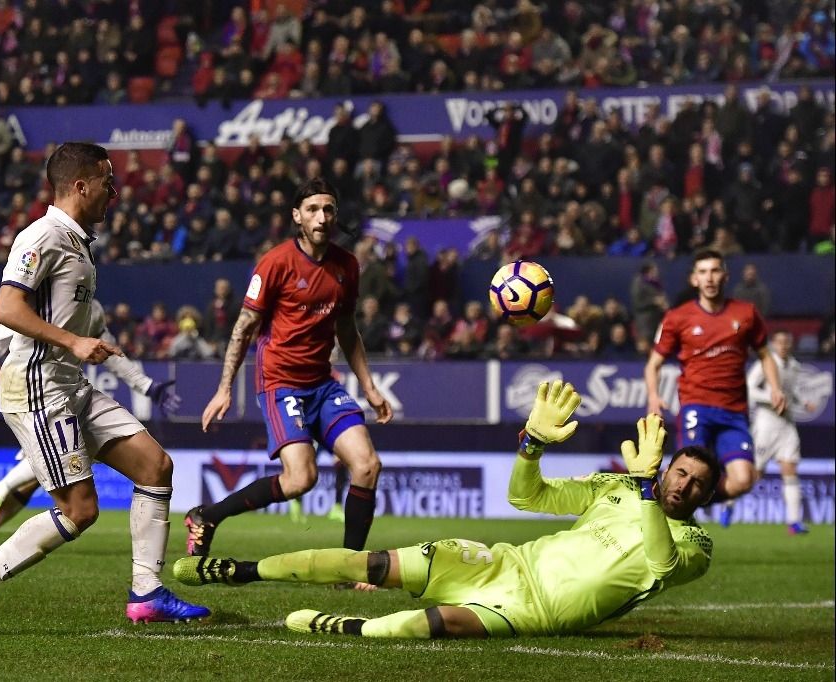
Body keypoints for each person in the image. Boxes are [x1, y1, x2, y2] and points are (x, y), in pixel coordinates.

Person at [174, 381, 719, 639]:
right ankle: (243, 570)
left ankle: (353, 629)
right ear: (665, 467)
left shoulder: (695, 547)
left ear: (707, 499)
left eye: (697, 485)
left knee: (441, 624)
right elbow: (527, 497)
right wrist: (531, 444)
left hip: (540, 612)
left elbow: (661, 561)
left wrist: (647, 489)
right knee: (375, 564)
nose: (684, 486)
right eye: (679, 473)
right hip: (505, 562)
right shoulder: (614, 487)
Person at [0, 142, 207, 637]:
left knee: (156, 465)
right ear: (81, 185)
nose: (115, 190)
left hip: (70, 383)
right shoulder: (42, 235)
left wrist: (90, 349)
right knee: (81, 511)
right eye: (108, 181)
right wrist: (73, 341)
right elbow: (5, 308)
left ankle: (146, 593)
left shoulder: (80, 241)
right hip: (38, 388)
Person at [190, 178, 393, 564]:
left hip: (322, 384)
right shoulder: (276, 262)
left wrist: (369, 386)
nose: (322, 216)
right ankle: (209, 516)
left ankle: (348, 566)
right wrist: (224, 388)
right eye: (313, 209)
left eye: (329, 209)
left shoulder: (347, 266)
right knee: (302, 479)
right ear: (297, 216)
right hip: (281, 383)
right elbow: (244, 327)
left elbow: (347, 329)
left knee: (367, 465)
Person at [0, 299, 182, 557]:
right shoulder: (43, 300)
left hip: (71, 398)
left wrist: (148, 386)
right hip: (39, 400)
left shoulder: (92, 310)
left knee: (34, 483)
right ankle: (0, 492)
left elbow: (111, 356)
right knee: (64, 496)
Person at [645, 248, 785, 526]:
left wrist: (775, 387)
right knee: (688, 472)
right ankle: (666, 516)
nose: (709, 278)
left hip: (734, 411)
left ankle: (691, 502)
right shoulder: (678, 317)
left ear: (725, 275)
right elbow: (653, 365)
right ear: (694, 279)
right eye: (703, 272)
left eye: (715, 270)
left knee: (744, 480)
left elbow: (766, 355)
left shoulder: (745, 313)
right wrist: (653, 396)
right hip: (696, 406)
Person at [747, 330, 813, 535]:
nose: (783, 346)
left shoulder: (794, 365)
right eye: (779, 342)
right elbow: (748, 388)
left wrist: (802, 402)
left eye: (787, 342)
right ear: (773, 344)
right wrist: (772, 397)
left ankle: (794, 522)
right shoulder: (765, 363)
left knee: (790, 469)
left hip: (786, 424)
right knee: (754, 474)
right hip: (766, 423)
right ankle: (729, 505)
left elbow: (790, 391)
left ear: (791, 344)